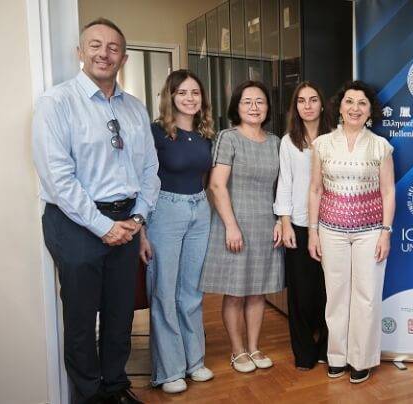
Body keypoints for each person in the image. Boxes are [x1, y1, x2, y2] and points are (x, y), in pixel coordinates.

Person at [32, 18, 157, 404]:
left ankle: (115, 388)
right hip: (76, 223)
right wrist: (103, 226)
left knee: (120, 314)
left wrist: (137, 218)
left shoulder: (135, 109)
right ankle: (88, 396)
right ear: (80, 53)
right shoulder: (57, 103)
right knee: (82, 319)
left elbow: (150, 170)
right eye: (95, 45)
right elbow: (58, 178)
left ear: (124, 58)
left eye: (113, 48)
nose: (104, 53)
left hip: (127, 220)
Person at [307, 80, 395, 384]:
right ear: (339, 107)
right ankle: (336, 357)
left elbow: (388, 191)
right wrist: (313, 232)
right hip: (330, 230)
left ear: (370, 111)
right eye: (349, 102)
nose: (355, 108)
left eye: (362, 103)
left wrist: (386, 232)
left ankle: (361, 359)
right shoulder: (322, 144)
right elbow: (315, 189)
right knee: (336, 295)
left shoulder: (380, 146)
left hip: (370, 231)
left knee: (366, 296)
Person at [137, 69, 215, 393]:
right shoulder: (155, 132)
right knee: (164, 291)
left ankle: (194, 361)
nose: (189, 98)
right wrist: (141, 231)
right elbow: (141, 178)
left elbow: (206, 177)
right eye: (182, 92)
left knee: (192, 292)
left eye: (195, 92)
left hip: (200, 209)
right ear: (170, 97)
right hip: (165, 211)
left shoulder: (206, 133)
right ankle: (169, 371)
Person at [199, 80, 284, 374]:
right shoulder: (228, 138)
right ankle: (237, 351)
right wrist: (231, 226)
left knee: (258, 291)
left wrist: (279, 220)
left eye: (260, 101)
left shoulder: (275, 142)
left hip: (265, 225)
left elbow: (281, 188)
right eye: (247, 102)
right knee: (235, 292)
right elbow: (216, 185)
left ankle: (254, 346)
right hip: (233, 224)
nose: (254, 107)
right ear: (237, 106)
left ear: (268, 107)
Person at [274, 82, 334, 370]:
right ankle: (304, 353)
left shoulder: (335, 138)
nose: (307, 106)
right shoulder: (289, 141)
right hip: (298, 223)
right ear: (295, 107)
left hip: (332, 223)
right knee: (301, 293)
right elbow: (285, 183)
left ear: (322, 104)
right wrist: (284, 221)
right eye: (301, 101)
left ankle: (327, 349)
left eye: (313, 99)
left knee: (329, 291)